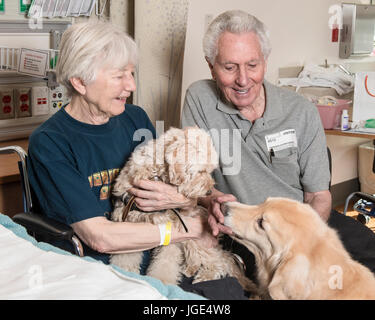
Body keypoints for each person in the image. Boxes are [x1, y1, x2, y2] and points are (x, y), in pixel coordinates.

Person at [181, 10, 375, 280]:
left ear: (265, 61)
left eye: (252, 65)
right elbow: (195, 178)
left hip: (302, 224)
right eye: (229, 67)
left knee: (368, 255)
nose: (243, 79)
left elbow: (318, 196)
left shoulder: (301, 111)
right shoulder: (199, 98)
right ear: (211, 65)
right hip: (245, 231)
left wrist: (303, 241)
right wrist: (210, 198)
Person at [27, 21, 215, 275]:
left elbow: (173, 186)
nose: (132, 86)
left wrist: (190, 199)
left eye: (132, 73)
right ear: (80, 82)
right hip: (98, 268)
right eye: (119, 76)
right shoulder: (50, 142)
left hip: (162, 255)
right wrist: (189, 229)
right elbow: (100, 237)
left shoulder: (135, 118)